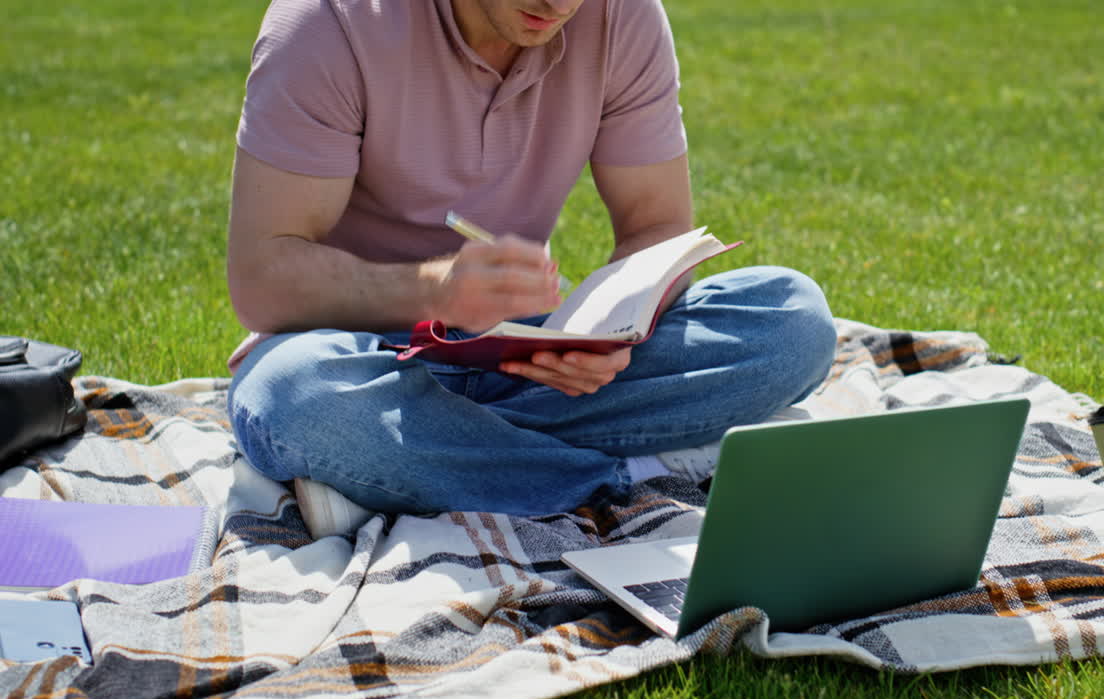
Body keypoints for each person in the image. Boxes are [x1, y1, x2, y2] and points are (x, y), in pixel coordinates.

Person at [225, 0, 837, 538]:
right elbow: (261, 277)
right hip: (361, 359)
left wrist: (608, 334)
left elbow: (658, 227)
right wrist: (433, 291)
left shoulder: (621, 14)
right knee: (293, 392)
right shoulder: (329, 22)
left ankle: (405, 472)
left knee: (791, 317)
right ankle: (628, 477)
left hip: (522, 357)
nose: (560, 3)